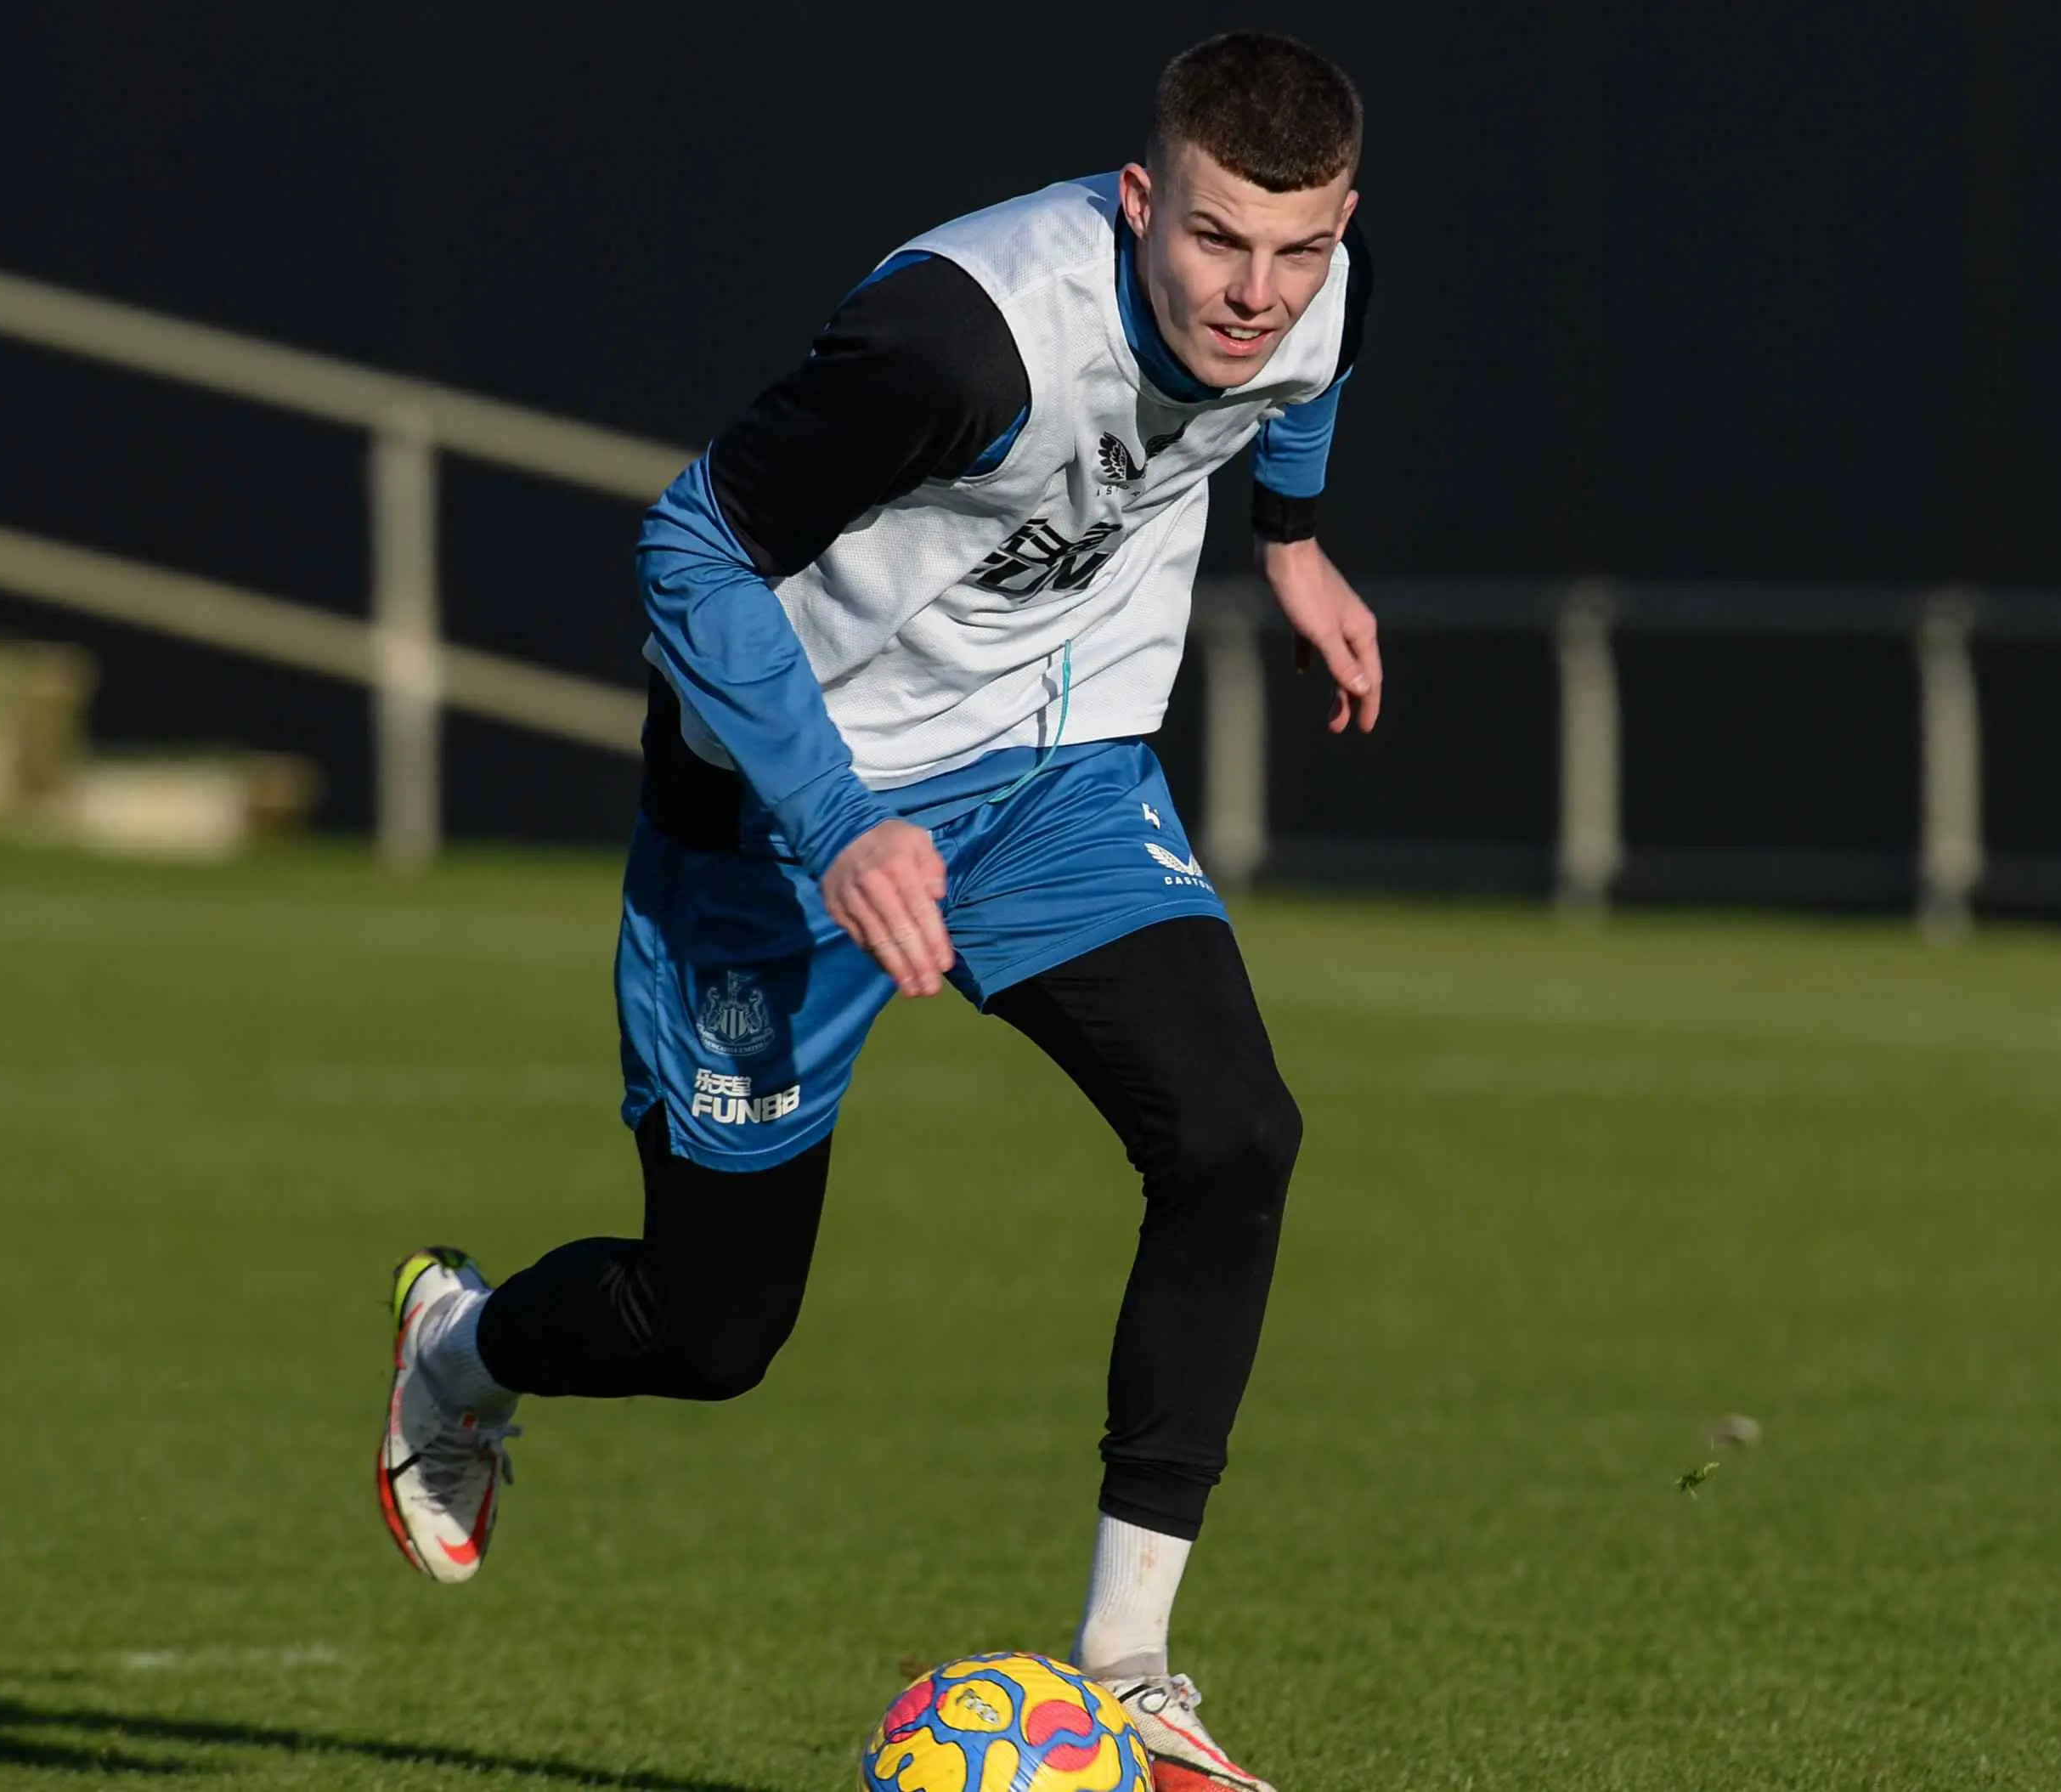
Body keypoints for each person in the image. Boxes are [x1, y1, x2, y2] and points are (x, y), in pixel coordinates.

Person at [373, 33, 1378, 1792]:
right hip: (785, 811)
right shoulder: (960, 343)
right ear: (1138, 200)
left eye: (1298, 250)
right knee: (711, 1330)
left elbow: (1298, 379)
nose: (1256, 293)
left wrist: (1290, 544)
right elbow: (688, 545)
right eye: (1217, 239)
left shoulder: (1307, 293)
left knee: (1232, 1138)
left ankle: (1128, 1671)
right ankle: (463, 1353)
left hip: (1050, 773)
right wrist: (834, 821)